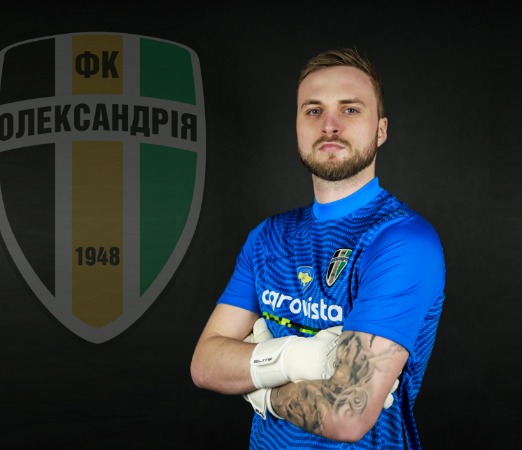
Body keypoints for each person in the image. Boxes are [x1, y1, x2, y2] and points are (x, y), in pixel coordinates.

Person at [190, 47, 446, 449]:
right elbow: (204, 364)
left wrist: (261, 389)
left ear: (380, 130)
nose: (329, 125)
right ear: (297, 126)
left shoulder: (402, 241)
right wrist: (297, 357)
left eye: (350, 109)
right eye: (313, 110)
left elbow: (347, 415)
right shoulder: (267, 238)